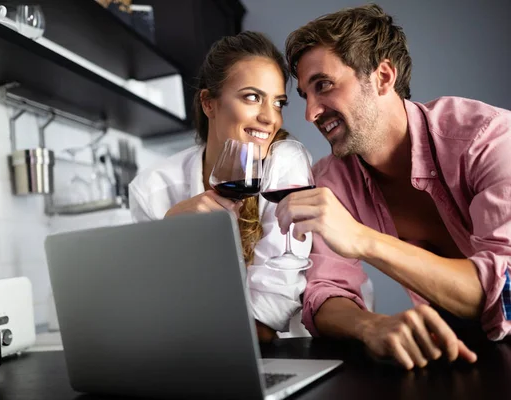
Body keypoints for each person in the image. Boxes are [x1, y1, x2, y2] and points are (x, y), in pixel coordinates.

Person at [277, 3, 511, 369]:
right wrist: (370, 325)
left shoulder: (489, 139)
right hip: (461, 349)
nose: (310, 113)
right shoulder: (332, 179)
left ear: (384, 76)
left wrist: (363, 239)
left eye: (324, 86)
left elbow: (503, 293)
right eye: (306, 95)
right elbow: (324, 293)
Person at [129, 31, 373, 341]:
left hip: (285, 351)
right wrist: (168, 237)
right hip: (191, 352)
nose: (270, 118)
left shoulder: (285, 167)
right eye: (252, 97)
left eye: (278, 103)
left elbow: (273, 303)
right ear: (209, 103)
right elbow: (146, 303)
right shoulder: (152, 188)